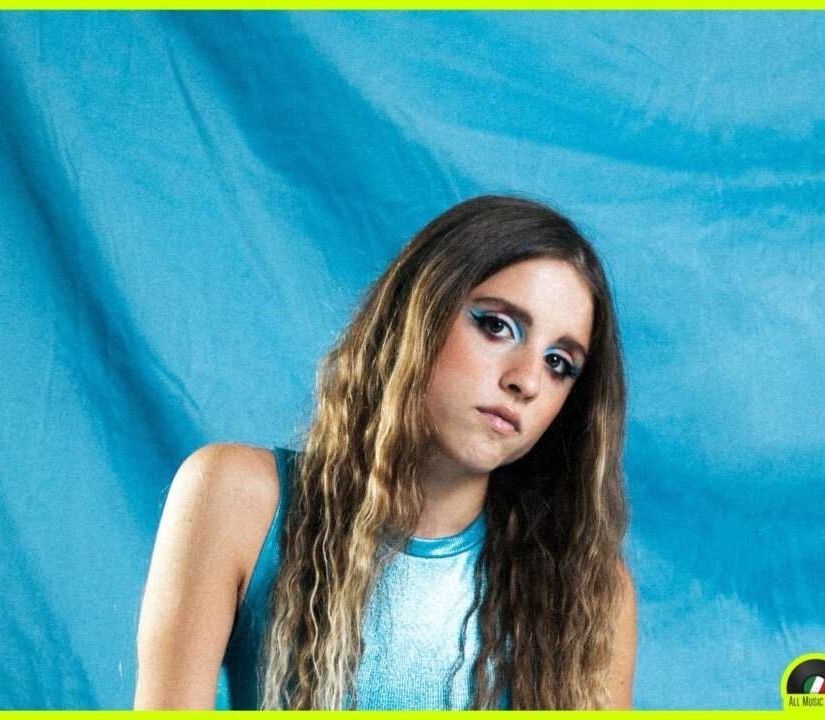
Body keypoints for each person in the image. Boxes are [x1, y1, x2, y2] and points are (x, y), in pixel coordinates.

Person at [134, 195, 636, 710]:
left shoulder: (589, 590)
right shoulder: (239, 497)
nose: (526, 380)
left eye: (558, 363)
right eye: (496, 326)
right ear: (419, 311)